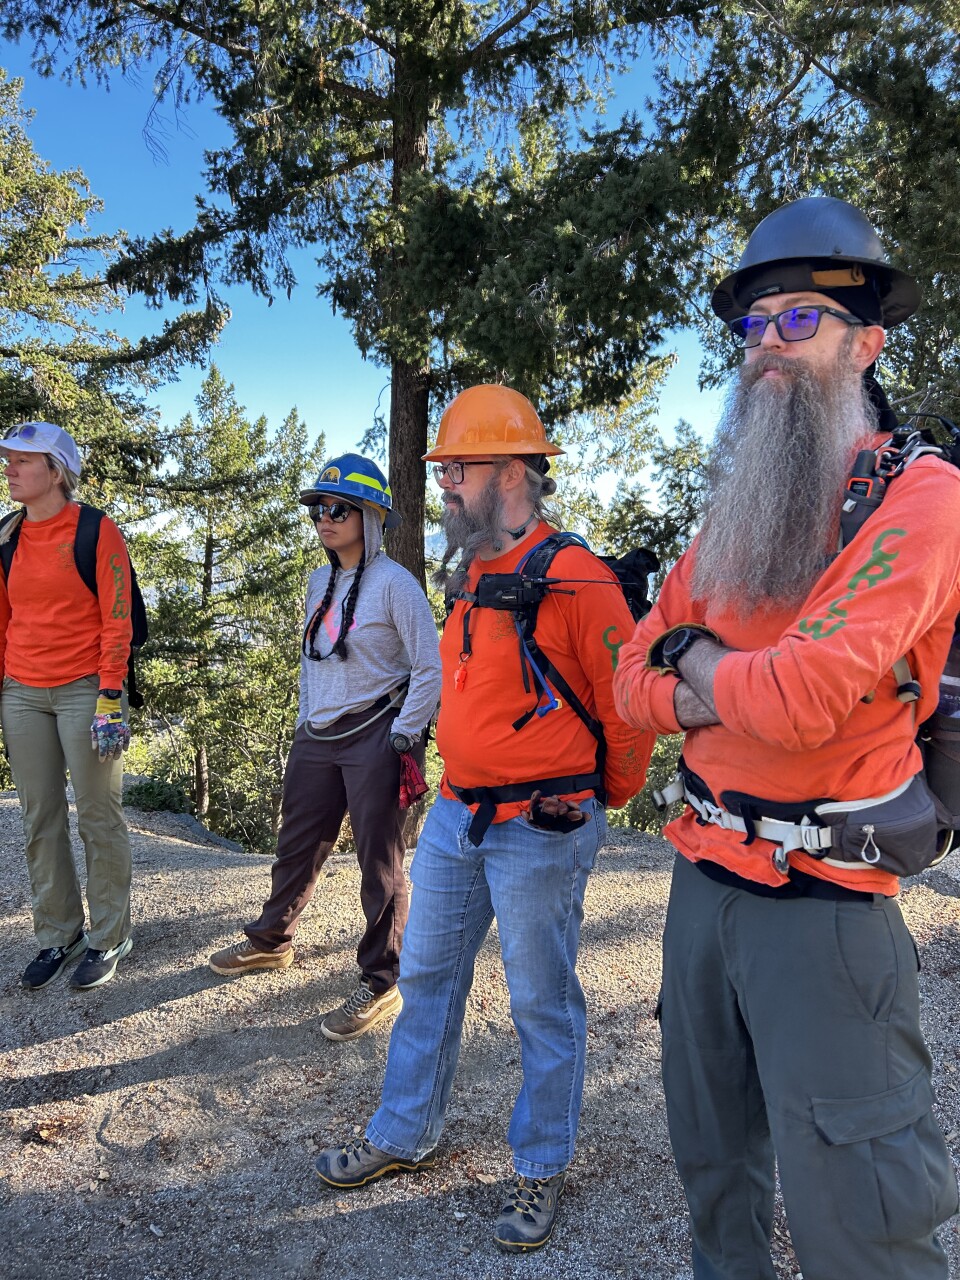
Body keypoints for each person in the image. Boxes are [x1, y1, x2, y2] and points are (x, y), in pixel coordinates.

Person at [613, 196, 960, 1280]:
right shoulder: (737, 512)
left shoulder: (925, 496)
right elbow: (628, 680)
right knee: (714, 1178)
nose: (767, 342)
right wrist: (709, 675)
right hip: (702, 886)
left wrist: (696, 659)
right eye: (753, 324)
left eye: (797, 319)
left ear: (867, 342)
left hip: (826, 910)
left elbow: (802, 696)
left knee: (860, 1219)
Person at [315, 386, 654, 1252]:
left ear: (509, 471)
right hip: (459, 818)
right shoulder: (472, 570)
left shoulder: (576, 575)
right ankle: (403, 1134)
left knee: (542, 1002)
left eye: (456, 469)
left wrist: (593, 800)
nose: (446, 487)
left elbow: (629, 708)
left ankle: (540, 1166)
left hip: (538, 827)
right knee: (426, 979)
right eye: (445, 470)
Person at [208, 453, 441, 1043]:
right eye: (319, 507)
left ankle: (384, 981)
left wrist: (403, 734)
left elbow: (429, 669)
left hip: (376, 731)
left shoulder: (396, 585)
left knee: (379, 862)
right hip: (318, 733)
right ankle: (270, 941)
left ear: (371, 516)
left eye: (339, 508)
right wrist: (304, 722)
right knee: (297, 840)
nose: (324, 518)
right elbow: (312, 662)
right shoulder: (320, 580)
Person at [0, 422, 135, 991]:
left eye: (21, 460)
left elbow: (117, 615)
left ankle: (109, 935)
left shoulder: (96, 531)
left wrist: (110, 695)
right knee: (40, 818)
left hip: (87, 688)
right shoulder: (6, 535)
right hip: (22, 692)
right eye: (8, 459)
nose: (9, 468)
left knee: (99, 817)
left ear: (55, 471)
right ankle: (59, 932)